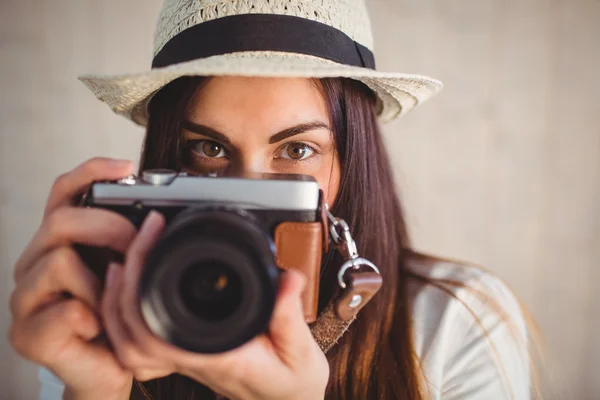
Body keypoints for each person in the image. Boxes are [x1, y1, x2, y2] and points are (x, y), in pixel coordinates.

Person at [8, 0, 532, 399]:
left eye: (297, 149)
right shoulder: (106, 316)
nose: (247, 192)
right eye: (209, 148)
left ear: (352, 158)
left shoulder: (454, 322)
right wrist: (94, 392)